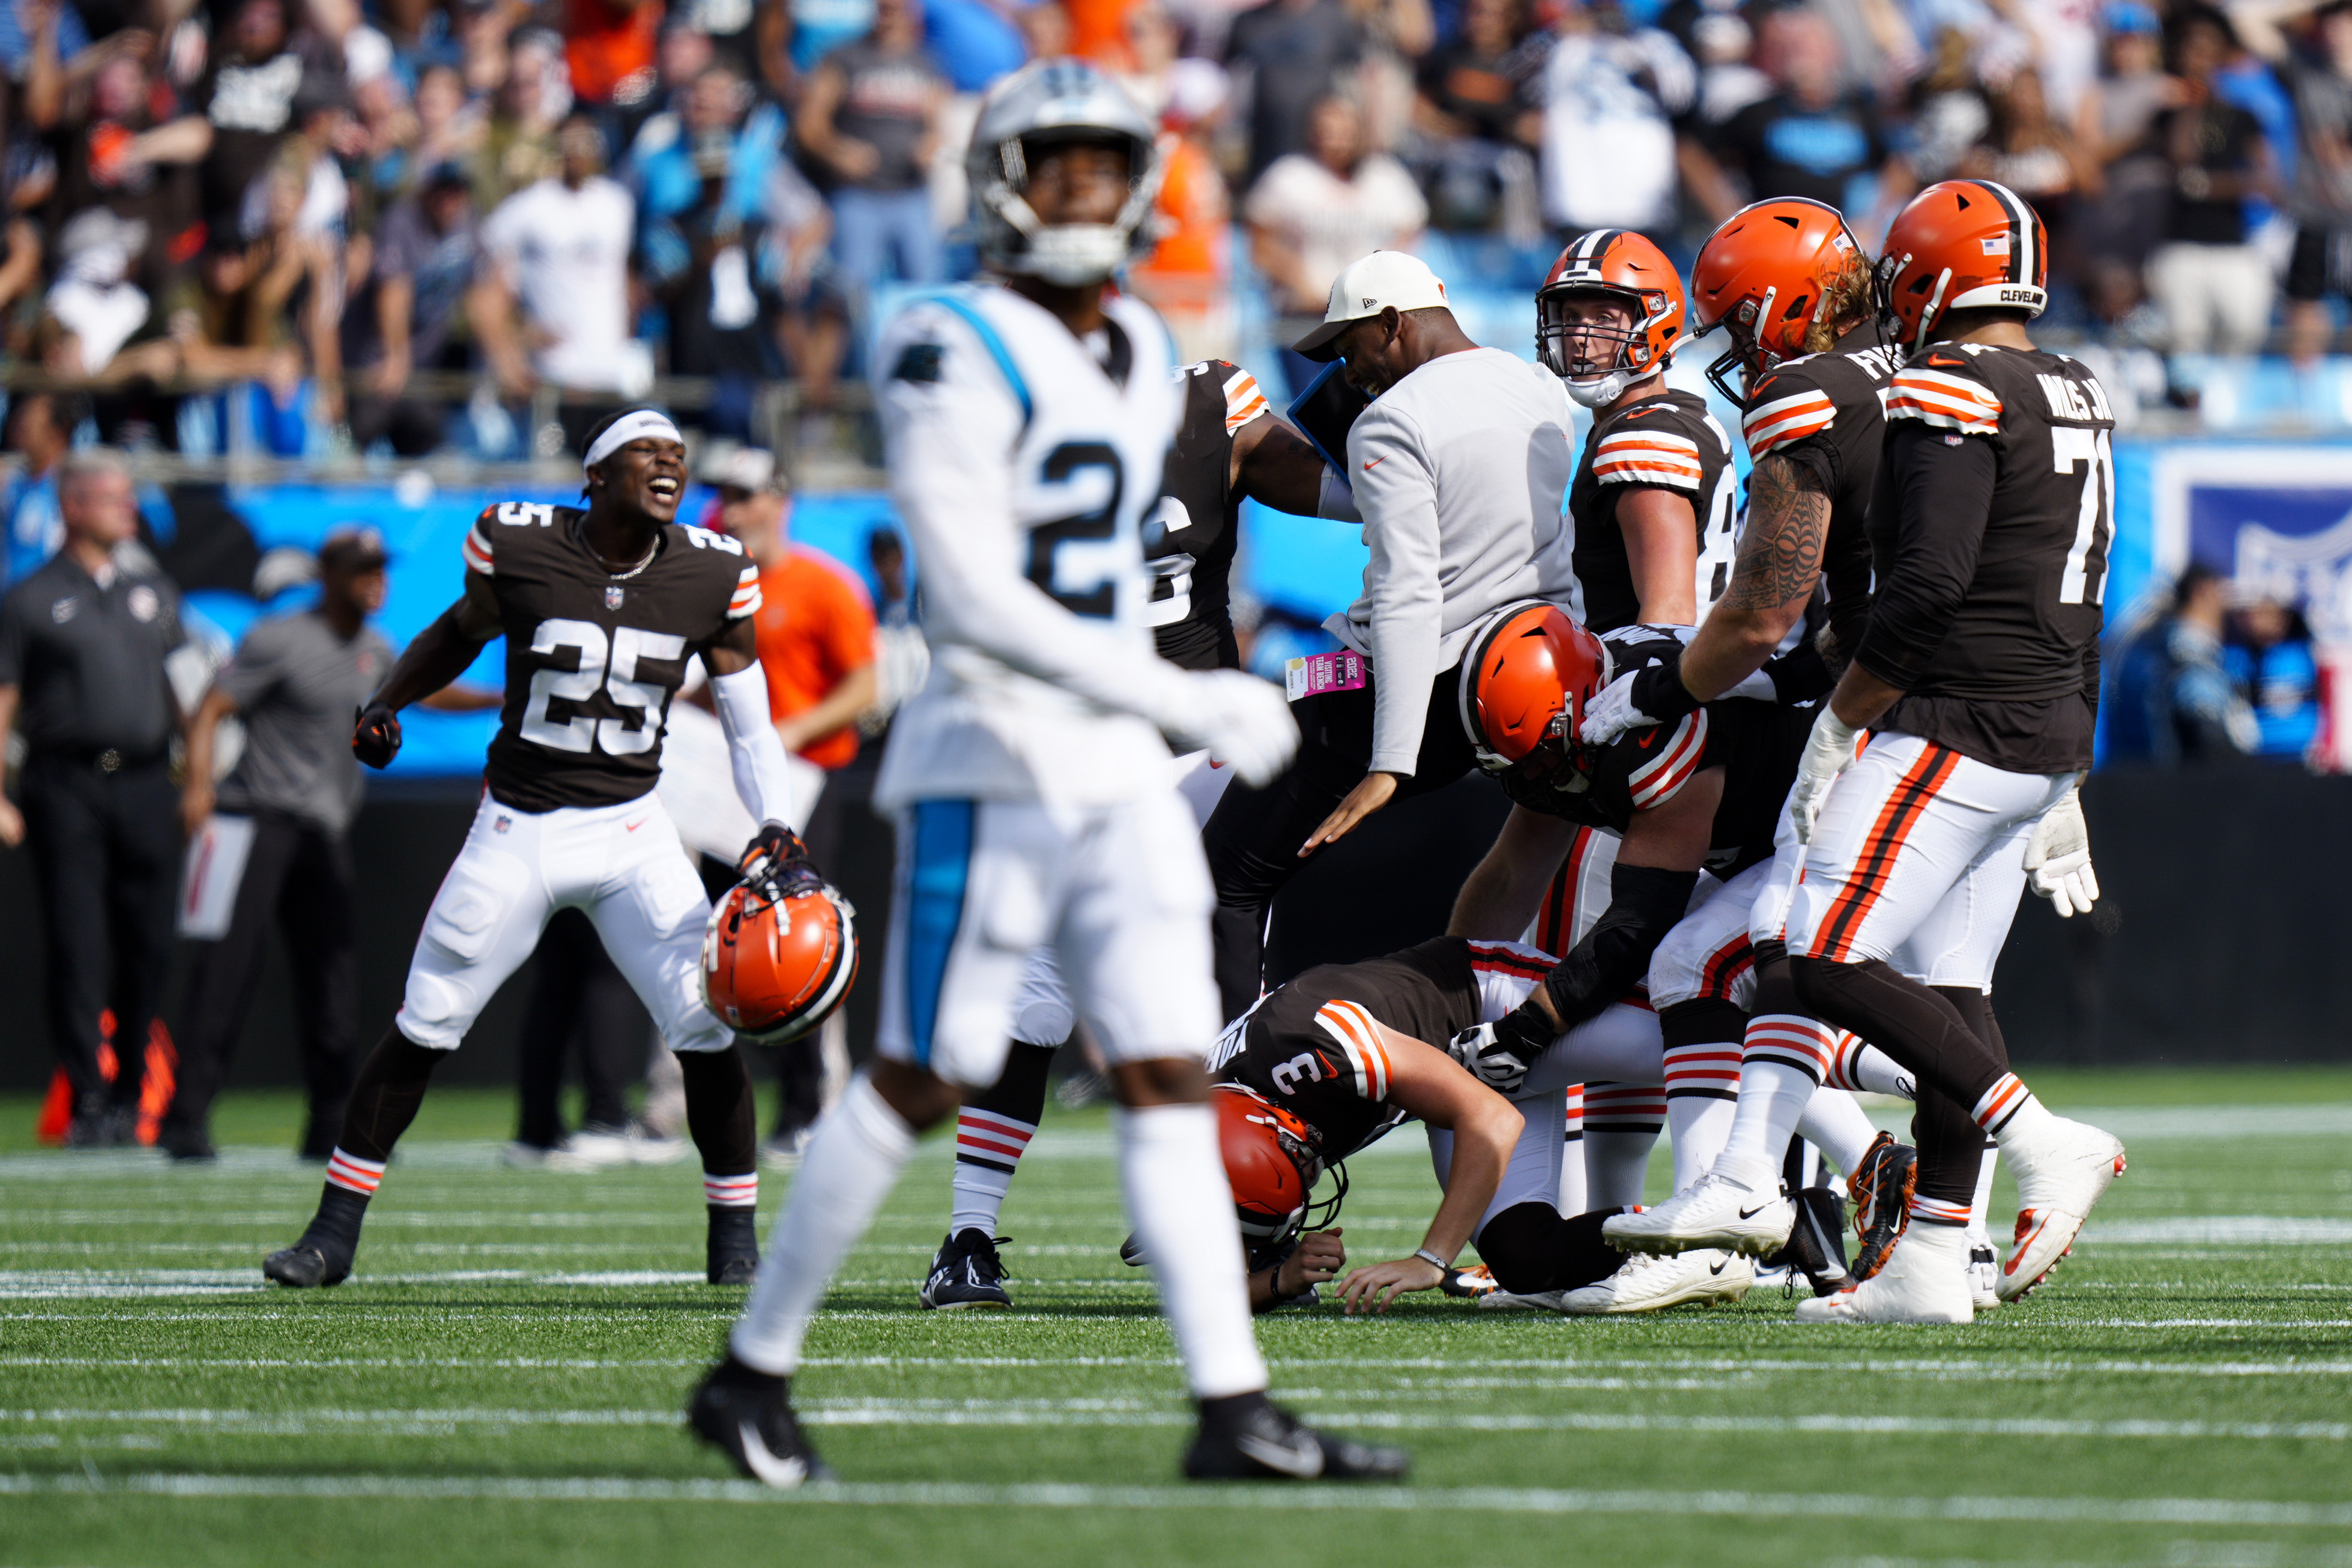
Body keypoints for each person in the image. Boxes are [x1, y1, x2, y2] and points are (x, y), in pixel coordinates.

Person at [689, 59, 1398, 1489]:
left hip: (1123, 774)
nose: (1078, 190)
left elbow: (1265, 488)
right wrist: (1177, 688)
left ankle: (1227, 1406)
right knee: (918, 1073)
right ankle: (752, 1371)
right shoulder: (943, 338)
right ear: (1000, 181)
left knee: (1153, 1067)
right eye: (1051, 162)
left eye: (1100, 163)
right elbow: (965, 590)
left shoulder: (1151, 348)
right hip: (992, 760)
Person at [1618, 181, 2127, 1324]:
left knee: (1800, 953)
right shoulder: (2077, 384)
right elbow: (2085, 579)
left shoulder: (1945, 380)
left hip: (1951, 718)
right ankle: (1934, 1255)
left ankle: (2032, 1137)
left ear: (1936, 276)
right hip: (2040, 718)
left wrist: (1845, 716)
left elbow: (1923, 585)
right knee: (1949, 986)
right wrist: (2073, 763)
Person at [257, 405, 815, 1291]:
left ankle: (736, 1243)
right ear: (594, 475)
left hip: (635, 827)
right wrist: (387, 699)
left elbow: (751, 724)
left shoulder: (712, 571)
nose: (669, 464)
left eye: (678, 454)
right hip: (519, 825)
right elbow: (458, 629)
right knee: (427, 1019)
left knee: (703, 1026)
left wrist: (774, 825)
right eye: (646, 453)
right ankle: (331, 1234)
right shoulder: (522, 545)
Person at [917, 354, 1331, 1310]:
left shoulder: (1205, 402)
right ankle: (967, 1237)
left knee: (1234, 996)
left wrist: (1396, 447)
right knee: (1035, 1001)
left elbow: (1337, 487)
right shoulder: (1000, 431)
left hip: (1197, 752)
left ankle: (1234, 1222)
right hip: (1074, 760)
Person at [1199, 249, 1577, 1019]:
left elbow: (1408, 593)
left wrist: (1389, 763)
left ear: (1392, 324)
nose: (1347, 367)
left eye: (1348, 345)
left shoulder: (1392, 418)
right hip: (1533, 673)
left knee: (1222, 883)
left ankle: (1235, 1097)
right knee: (1517, 896)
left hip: (1407, 692)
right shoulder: (1534, 384)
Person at [166, 529, 405, 1162]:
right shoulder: (278, 637)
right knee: (225, 972)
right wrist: (197, 788)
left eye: (380, 568)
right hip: (254, 819)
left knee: (332, 977)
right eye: (361, 569)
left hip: (323, 826)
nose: (375, 579)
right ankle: (186, 1116)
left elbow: (417, 693)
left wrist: (495, 699)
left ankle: (330, 1124)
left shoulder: (375, 648)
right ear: (326, 574)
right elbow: (211, 708)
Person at [0, 451, 187, 1147]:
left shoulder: (155, 591)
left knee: (149, 943)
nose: (127, 506)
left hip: (144, 779)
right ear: (73, 505)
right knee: (77, 942)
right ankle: (85, 1096)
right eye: (112, 496)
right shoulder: (29, 596)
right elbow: (4, 699)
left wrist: (196, 779)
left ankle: (133, 1091)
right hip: (66, 781)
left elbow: (189, 691)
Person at [709, 444, 879, 1160]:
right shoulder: (709, 580)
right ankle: (723, 1110)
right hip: (721, 783)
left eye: (746, 496)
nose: (733, 509)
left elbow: (866, 686)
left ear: (779, 499)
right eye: (725, 496)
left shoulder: (822, 584)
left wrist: (795, 730)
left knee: (797, 944)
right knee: (726, 945)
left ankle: (808, 1104)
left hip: (805, 784)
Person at [1244, 94, 1426, 393]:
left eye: (1342, 132)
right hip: (1305, 318)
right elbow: (1260, 242)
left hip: (1366, 317)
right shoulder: (1289, 177)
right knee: (1315, 407)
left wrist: (1381, 272)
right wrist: (1299, 278)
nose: (1333, 141)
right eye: (1325, 131)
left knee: (1371, 403)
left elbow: (1411, 226)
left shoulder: (1384, 176)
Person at [473, 114, 642, 420]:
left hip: (609, 370)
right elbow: (488, 286)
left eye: (586, 142)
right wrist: (512, 342)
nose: (578, 150)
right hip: (552, 372)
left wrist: (629, 336)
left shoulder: (617, 203)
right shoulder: (528, 207)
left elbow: (625, 277)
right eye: (570, 142)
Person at [794, 0, 949, 315]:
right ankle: (847, 365)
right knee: (846, 295)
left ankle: (919, 359)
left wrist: (929, 148)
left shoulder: (925, 61)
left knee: (927, 290)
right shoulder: (846, 57)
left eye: (898, 8)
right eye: (885, 8)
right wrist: (837, 152)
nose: (890, 14)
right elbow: (809, 123)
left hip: (911, 193)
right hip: (859, 195)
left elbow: (937, 125)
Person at [2147, 7, 2279, 357]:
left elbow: (2269, 182)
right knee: (2185, 347)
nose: (2199, 58)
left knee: (2244, 337)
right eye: (2192, 49)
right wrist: (2192, 100)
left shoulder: (2242, 115)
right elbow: (2179, 163)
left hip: (2233, 247)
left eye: (2207, 50)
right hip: (2181, 247)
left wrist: (2209, 186)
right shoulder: (2167, 112)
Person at [2104, 563, 2259, 764]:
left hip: (2136, 777)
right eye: (2221, 593)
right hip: (2182, 785)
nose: (2226, 606)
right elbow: (2204, 729)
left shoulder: (2147, 646)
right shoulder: (2185, 651)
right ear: (2201, 592)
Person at [2, 391, 75, 588]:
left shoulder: (69, 489)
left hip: (49, 602)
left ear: (56, 433)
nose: (18, 428)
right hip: (11, 605)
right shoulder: (15, 484)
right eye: (19, 420)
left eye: (28, 424)